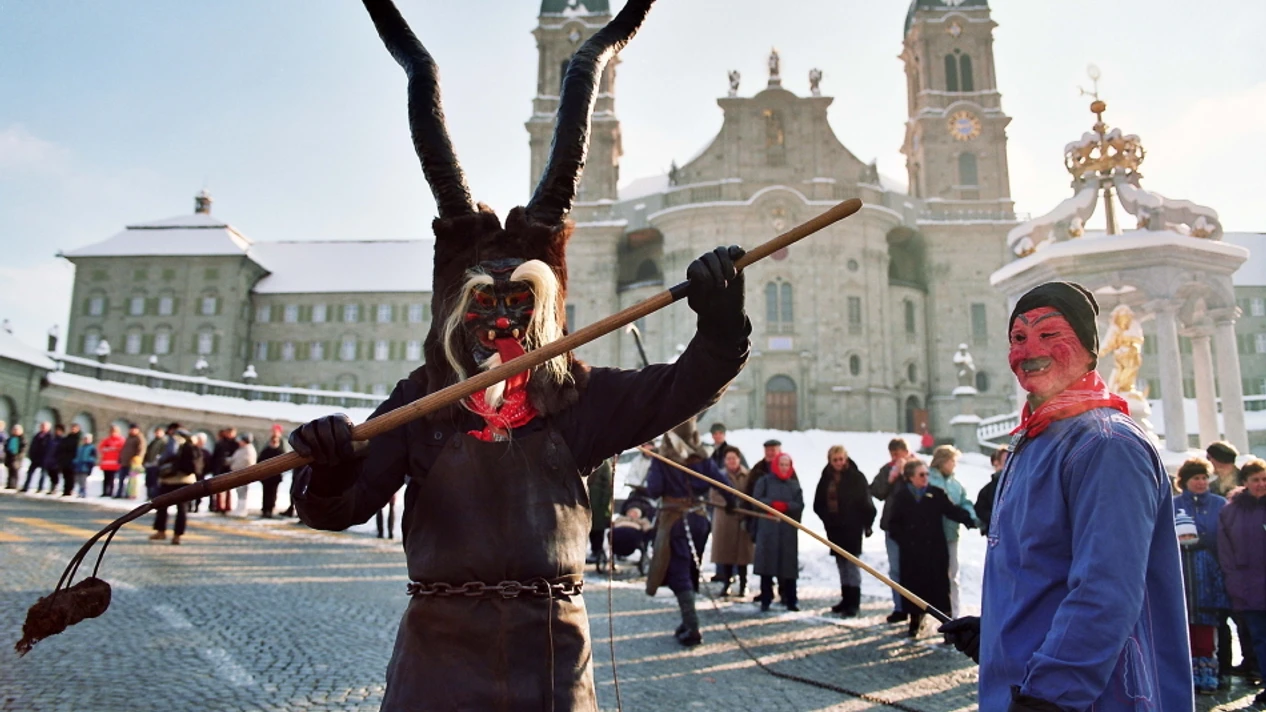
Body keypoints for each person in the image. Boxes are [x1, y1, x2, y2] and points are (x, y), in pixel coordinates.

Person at [287, 1, 738, 705]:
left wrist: (719, 322)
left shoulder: (574, 396)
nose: (501, 323)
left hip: (550, 661)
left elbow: (682, 388)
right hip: (438, 660)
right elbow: (337, 508)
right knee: (424, 73)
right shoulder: (423, 401)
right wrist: (329, 462)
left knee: (582, 67)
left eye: (518, 305)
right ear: (457, 316)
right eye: (483, 307)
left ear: (545, 311)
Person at [939, 281, 1190, 710]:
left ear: (1090, 350)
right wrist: (1000, 635)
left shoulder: (1105, 444)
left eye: (1049, 334)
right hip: (1027, 681)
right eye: (1018, 338)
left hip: (1094, 697)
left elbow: (1106, 589)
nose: (1029, 349)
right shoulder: (1037, 440)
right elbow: (1041, 567)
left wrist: (1052, 694)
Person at [645, 419, 737, 646]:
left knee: (680, 572)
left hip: (676, 522)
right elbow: (724, 484)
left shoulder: (663, 459)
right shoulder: (703, 458)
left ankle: (693, 626)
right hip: (698, 520)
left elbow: (654, 490)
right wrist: (731, 502)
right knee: (689, 568)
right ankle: (687, 622)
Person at [887, 458, 974, 638]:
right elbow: (893, 524)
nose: (925, 477)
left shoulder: (936, 493)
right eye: (921, 474)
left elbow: (952, 511)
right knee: (914, 587)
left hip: (934, 550)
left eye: (927, 474)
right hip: (912, 553)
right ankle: (915, 622)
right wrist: (905, 541)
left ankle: (948, 627)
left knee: (940, 589)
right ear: (911, 477)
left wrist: (970, 520)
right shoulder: (902, 496)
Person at [1173, 457, 1231, 695]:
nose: (1201, 482)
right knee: (1185, 621)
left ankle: (1217, 672)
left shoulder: (1219, 504)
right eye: (1196, 478)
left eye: (1204, 477)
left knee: (1215, 622)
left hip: (1211, 569)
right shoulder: (1174, 504)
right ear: (1185, 481)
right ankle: (1188, 674)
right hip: (1182, 568)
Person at [1219, 458, 1266, 705]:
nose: (1260, 484)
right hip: (1249, 587)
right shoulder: (1231, 511)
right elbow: (1225, 552)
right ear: (1245, 482)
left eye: (1264, 479)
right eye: (1255, 480)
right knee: (1259, 638)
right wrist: (1234, 583)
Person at [813, 444, 875, 617]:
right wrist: (828, 519)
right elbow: (818, 503)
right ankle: (845, 598)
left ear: (846, 459)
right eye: (835, 460)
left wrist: (867, 524)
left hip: (852, 527)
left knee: (852, 564)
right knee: (841, 563)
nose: (839, 463)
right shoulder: (826, 478)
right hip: (835, 528)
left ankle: (854, 601)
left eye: (841, 459)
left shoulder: (856, 477)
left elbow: (867, 503)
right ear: (830, 461)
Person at [927, 445, 977, 616]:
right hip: (929, 537)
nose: (954, 465)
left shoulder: (956, 484)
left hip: (951, 535)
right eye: (952, 461)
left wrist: (971, 517)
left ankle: (953, 614)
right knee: (930, 576)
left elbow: (965, 503)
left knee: (952, 576)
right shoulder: (928, 480)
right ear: (942, 461)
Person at [752, 452, 803, 612]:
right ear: (775, 466)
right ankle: (766, 598)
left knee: (788, 565)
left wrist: (787, 507)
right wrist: (772, 504)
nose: (784, 467)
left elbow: (799, 504)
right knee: (767, 563)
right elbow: (756, 500)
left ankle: (790, 599)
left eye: (786, 465)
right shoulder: (764, 481)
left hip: (787, 530)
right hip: (768, 530)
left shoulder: (794, 485)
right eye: (781, 464)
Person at [870, 437, 912, 622]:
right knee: (896, 569)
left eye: (898, 453)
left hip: (913, 527)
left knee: (913, 569)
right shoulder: (887, 469)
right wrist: (890, 479)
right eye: (892, 454)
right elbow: (876, 492)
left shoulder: (917, 468)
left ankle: (916, 610)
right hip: (892, 525)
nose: (895, 457)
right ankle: (899, 607)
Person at [710, 447, 754, 598]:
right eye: (728, 459)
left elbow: (751, 493)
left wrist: (743, 505)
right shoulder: (719, 476)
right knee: (726, 552)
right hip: (725, 517)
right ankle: (727, 583)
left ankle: (743, 583)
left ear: (739, 459)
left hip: (742, 517)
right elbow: (713, 494)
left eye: (734, 458)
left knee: (743, 553)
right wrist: (726, 503)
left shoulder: (747, 475)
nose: (731, 461)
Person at [151, 429, 198, 545]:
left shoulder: (168, 443)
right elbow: (194, 466)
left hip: (167, 480)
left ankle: (160, 532)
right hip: (185, 481)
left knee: (162, 506)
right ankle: (177, 536)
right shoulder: (190, 446)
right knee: (182, 510)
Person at [973, 445, 1009, 537]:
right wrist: (996, 519)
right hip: (997, 536)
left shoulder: (1020, 484)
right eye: (1006, 460)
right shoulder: (987, 490)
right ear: (996, 463)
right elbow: (980, 510)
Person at [587, 458, 614, 570]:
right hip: (587, 500)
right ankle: (594, 551)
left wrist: (605, 504)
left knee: (598, 528)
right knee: (589, 527)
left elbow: (608, 485)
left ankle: (597, 551)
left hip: (599, 503)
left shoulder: (604, 463)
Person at [258, 428, 287, 518]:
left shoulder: (280, 451)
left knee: (273, 494)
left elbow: (284, 465)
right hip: (266, 476)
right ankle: (265, 509)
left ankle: (270, 510)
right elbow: (259, 461)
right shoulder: (266, 451)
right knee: (265, 493)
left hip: (275, 477)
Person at [210, 427, 239, 513]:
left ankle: (227, 506)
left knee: (228, 489)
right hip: (220, 468)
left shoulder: (235, 444)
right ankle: (219, 506)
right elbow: (215, 456)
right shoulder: (221, 443)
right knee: (219, 489)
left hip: (229, 468)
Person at [227, 433, 257, 516]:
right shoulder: (242, 449)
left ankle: (242, 510)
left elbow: (248, 462)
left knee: (243, 492)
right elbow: (235, 459)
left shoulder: (249, 450)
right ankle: (239, 509)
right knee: (239, 492)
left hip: (244, 474)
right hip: (238, 473)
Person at [19, 421, 51, 493]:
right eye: (41, 426)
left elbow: (49, 448)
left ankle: (40, 488)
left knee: (43, 474)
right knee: (30, 472)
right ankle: (26, 486)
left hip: (44, 458)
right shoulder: (37, 435)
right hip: (35, 457)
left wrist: (47, 457)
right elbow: (33, 446)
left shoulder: (49, 437)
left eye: (44, 426)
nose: (42, 428)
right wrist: (31, 455)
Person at [117, 423, 145, 498]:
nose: (132, 431)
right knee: (121, 479)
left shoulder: (139, 438)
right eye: (131, 429)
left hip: (133, 464)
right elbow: (124, 449)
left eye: (134, 429)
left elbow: (141, 450)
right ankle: (119, 493)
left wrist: (138, 459)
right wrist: (120, 458)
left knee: (132, 480)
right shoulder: (128, 438)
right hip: (124, 462)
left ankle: (130, 494)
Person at [97, 425, 125, 498]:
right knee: (106, 479)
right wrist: (109, 449)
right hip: (106, 463)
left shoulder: (121, 440)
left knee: (112, 479)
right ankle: (105, 492)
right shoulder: (107, 440)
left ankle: (110, 492)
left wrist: (112, 449)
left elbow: (122, 449)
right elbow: (101, 448)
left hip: (114, 463)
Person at [55, 423, 81, 496]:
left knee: (71, 476)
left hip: (73, 459)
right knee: (65, 475)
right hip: (65, 459)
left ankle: (69, 490)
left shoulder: (78, 438)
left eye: (75, 428)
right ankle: (66, 490)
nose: (73, 429)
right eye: (72, 428)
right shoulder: (68, 437)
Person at [143, 426, 168, 501]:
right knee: (148, 481)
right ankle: (149, 495)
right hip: (149, 464)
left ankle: (153, 496)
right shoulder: (153, 441)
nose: (157, 434)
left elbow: (163, 453)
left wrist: (158, 461)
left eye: (159, 432)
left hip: (156, 465)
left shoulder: (164, 441)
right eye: (156, 432)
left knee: (154, 482)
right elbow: (148, 452)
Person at [72, 433, 97, 498]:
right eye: (85, 439)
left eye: (87, 439)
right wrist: (75, 462)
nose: (86, 440)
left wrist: (89, 464)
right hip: (78, 466)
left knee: (83, 480)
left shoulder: (92, 448)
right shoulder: (80, 448)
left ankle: (83, 492)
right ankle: (80, 490)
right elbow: (77, 456)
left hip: (85, 466)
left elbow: (93, 457)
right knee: (78, 479)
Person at [42, 424, 65, 495]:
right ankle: (51, 487)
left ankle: (55, 488)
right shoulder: (52, 439)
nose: (57, 432)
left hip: (56, 460)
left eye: (59, 430)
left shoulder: (62, 440)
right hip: (50, 459)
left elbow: (61, 451)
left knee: (55, 475)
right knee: (51, 474)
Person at [4, 424, 26, 490]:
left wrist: (18, 455)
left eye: (16, 430)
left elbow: (23, 448)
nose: (15, 431)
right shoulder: (10, 438)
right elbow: (6, 446)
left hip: (17, 457)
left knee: (15, 471)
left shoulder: (21, 439)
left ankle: (15, 484)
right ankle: (9, 484)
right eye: (14, 430)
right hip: (9, 456)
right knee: (9, 470)